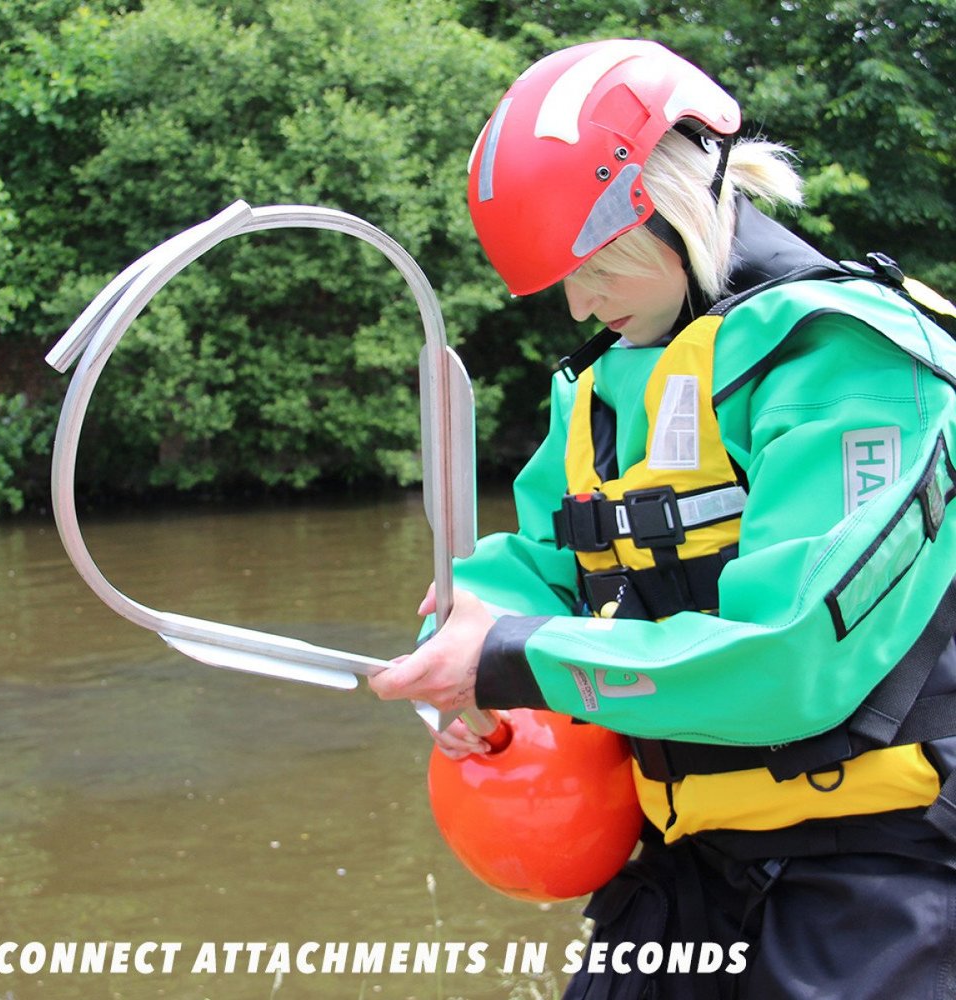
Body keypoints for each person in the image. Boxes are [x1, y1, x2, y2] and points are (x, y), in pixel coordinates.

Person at [370, 38, 956, 999]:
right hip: (690, 867)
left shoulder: (855, 366)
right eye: (562, 275)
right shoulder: (601, 389)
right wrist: (468, 637)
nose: (577, 303)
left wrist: (515, 655)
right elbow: (546, 562)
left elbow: (791, 652)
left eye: (598, 264)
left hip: (880, 867)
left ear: (676, 209)